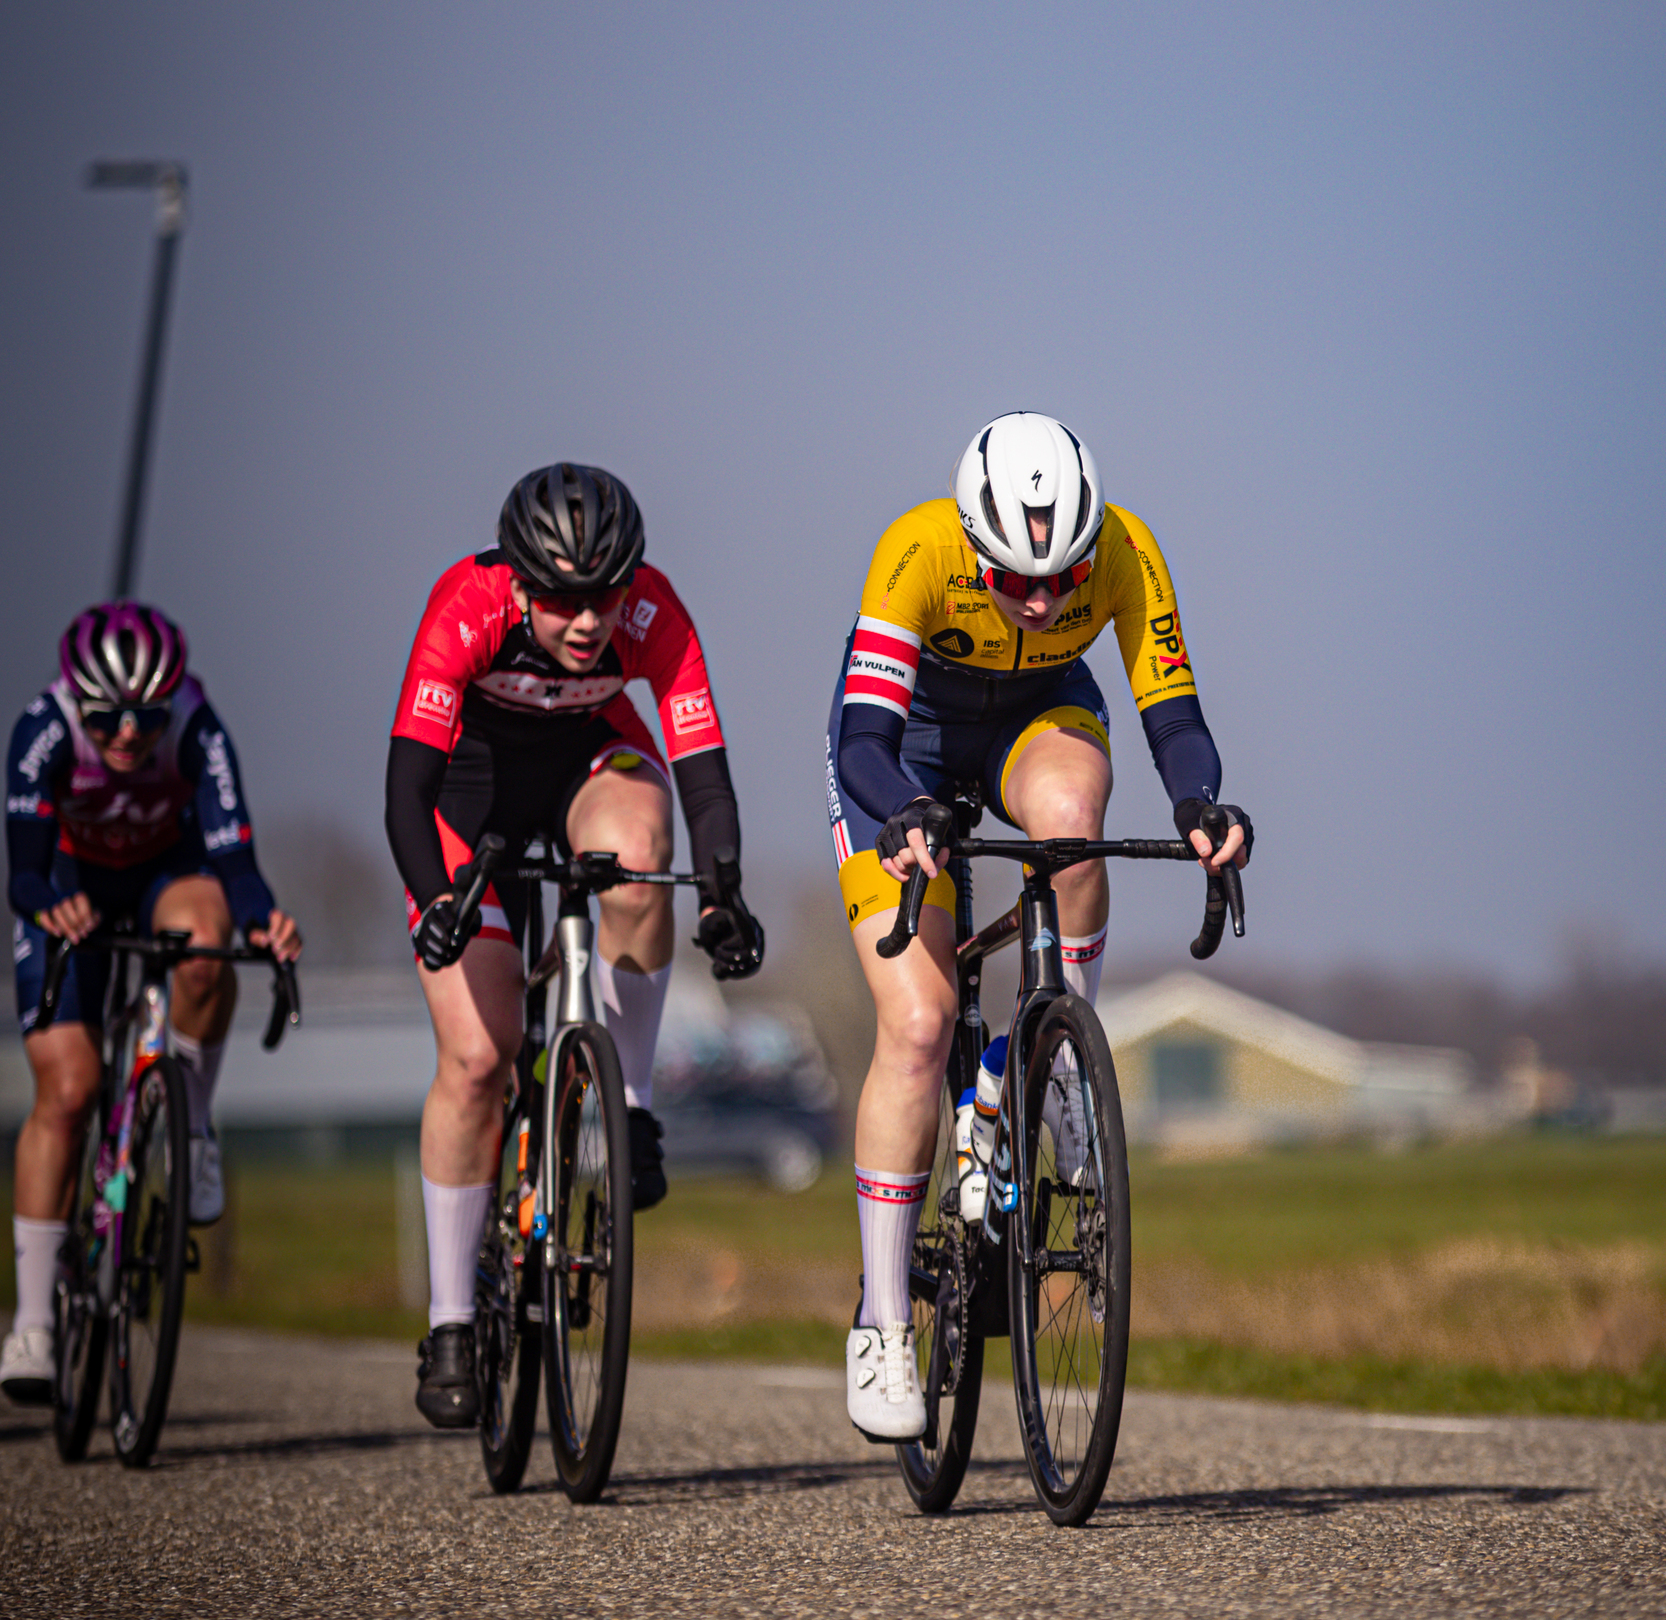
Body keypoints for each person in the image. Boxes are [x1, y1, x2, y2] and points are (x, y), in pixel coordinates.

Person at [826, 412, 1250, 1440]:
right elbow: (862, 740)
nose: (1043, 598)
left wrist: (1200, 806)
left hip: (1036, 716)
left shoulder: (1125, 549)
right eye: (1016, 580)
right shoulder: (915, 549)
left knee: (1072, 822)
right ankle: (884, 1322)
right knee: (920, 1025)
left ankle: (1049, 1060)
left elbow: (1173, 714)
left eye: (1062, 577)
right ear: (973, 543)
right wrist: (901, 814)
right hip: (907, 745)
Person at [386, 461, 762, 1430]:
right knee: (476, 1059)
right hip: (467, 794)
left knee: (638, 860)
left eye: (605, 593)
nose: (587, 620)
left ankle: (630, 1105)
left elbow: (704, 779)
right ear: (517, 583)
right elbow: (407, 792)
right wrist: (436, 902)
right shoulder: (464, 606)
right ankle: (453, 1320)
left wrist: (721, 893)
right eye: (560, 600)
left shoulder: (654, 614)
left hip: (588, 758)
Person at [5, 604, 302, 1404]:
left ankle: (193, 1127)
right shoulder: (42, 730)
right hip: (70, 885)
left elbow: (236, 855)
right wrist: (47, 910)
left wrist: (261, 917)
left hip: (170, 871)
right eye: (107, 719)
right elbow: (23, 872)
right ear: (77, 702)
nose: (130, 735)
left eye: (147, 716)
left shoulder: (200, 729)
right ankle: (32, 1321)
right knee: (67, 1092)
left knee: (206, 955)